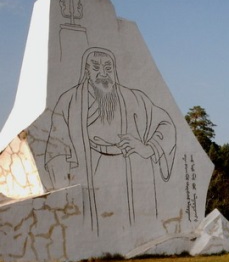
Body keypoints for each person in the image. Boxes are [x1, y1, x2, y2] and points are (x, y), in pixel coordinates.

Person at [44, 47, 177, 236]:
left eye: (108, 68)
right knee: (91, 227)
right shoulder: (69, 101)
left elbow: (166, 124)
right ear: (86, 71)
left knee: (132, 223)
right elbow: (55, 150)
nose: (103, 73)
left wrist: (148, 147)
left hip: (128, 169)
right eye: (96, 67)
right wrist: (64, 192)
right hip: (87, 168)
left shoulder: (134, 98)